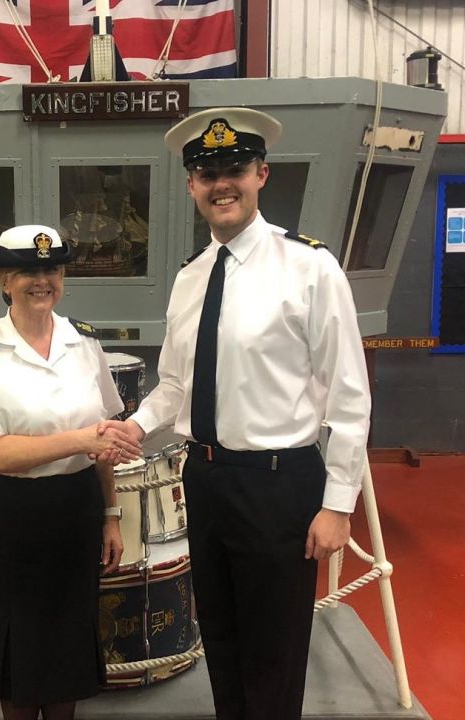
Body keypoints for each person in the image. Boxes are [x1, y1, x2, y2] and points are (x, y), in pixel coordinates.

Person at [96, 108, 371, 720]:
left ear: (261, 175)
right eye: (207, 173)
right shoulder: (191, 277)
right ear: (192, 186)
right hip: (206, 478)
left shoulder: (309, 267)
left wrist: (338, 504)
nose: (222, 184)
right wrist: (134, 426)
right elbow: (176, 383)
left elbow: (350, 394)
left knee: (274, 649)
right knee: (220, 637)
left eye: (235, 170)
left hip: (279, 484)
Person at [0, 224, 141, 720]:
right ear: (4, 280)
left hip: (76, 508)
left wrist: (111, 516)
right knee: (15, 647)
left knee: (67, 643)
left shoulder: (85, 344)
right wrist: (79, 440)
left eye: (52, 270)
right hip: (11, 515)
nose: (43, 281)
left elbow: (104, 438)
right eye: (27, 272)